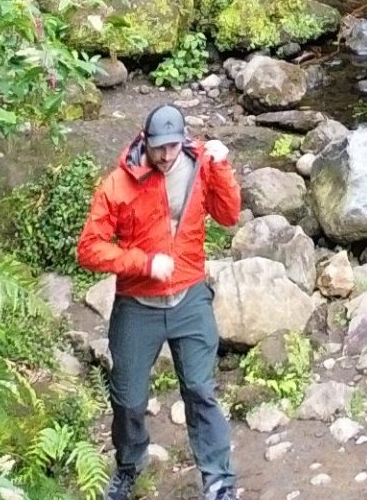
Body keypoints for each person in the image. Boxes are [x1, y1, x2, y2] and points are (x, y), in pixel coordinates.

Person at [77, 102, 244, 500]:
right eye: (158, 148)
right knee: (129, 400)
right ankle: (129, 466)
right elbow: (89, 249)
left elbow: (229, 215)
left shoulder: (202, 165)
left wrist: (221, 169)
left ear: (182, 140)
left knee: (200, 390)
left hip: (189, 297)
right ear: (145, 142)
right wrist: (143, 263)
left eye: (172, 147)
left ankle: (218, 478)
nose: (166, 156)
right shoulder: (118, 184)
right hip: (137, 304)